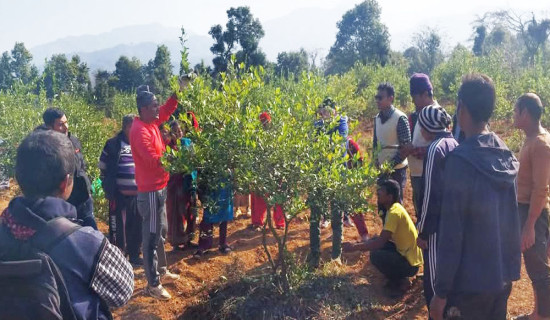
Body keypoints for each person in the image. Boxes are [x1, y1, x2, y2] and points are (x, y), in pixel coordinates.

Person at [0, 130, 133, 319]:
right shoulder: (84, 241)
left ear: (18, 178)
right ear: (66, 183)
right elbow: (123, 291)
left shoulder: (4, 229)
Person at [429, 74, 521, 320]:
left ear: (462, 108)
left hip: (469, 287)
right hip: (500, 280)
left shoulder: (460, 162)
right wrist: (510, 271)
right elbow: (513, 218)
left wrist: (441, 293)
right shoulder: (505, 154)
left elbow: (452, 233)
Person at [130, 81, 188, 300]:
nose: (157, 109)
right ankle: (152, 284)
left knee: (161, 233)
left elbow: (166, 110)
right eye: (154, 106)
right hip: (151, 192)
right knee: (152, 237)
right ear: (143, 109)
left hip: (160, 187)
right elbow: (153, 160)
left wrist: (178, 92)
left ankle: (162, 271)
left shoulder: (152, 122)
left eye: (156, 105)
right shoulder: (139, 131)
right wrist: (177, 158)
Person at [343, 179, 423, 298]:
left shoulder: (394, 213)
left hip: (411, 264)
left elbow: (380, 243)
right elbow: (382, 239)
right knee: (374, 241)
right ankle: (398, 276)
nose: (378, 193)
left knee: (376, 255)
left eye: (381, 192)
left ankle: (400, 281)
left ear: (389, 197)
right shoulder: (395, 208)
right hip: (409, 256)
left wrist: (354, 247)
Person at [414, 106, 458, 312]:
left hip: (436, 228)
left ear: (426, 127)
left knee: (434, 283)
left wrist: (422, 231)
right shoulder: (455, 143)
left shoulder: (435, 149)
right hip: (454, 225)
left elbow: (430, 194)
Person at [512, 93, 550, 320]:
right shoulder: (531, 138)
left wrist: (530, 225)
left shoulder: (540, 144)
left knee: (539, 271)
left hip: (531, 212)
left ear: (525, 113)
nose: (513, 116)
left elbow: (540, 189)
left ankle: (544, 316)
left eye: (516, 111)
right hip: (527, 211)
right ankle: (538, 313)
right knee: (535, 269)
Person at [36, 108, 97, 229]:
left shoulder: (72, 140)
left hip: (83, 198)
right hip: (64, 204)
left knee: (92, 233)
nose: (66, 127)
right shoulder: (43, 148)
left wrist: (88, 187)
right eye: (61, 124)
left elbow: (81, 165)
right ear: (49, 126)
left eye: (66, 122)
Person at [98, 114, 143, 267]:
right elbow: (103, 167)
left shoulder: (141, 143)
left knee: (137, 226)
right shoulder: (112, 144)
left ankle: (135, 255)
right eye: (132, 126)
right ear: (125, 128)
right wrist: (108, 185)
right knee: (119, 230)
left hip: (138, 195)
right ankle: (120, 260)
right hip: (119, 195)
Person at [401, 74, 438, 216]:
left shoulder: (436, 113)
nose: (413, 101)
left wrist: (413, 150)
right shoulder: (420, 113)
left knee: (427, 215)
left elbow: (440, 147)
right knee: (420, 213)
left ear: (425, 94)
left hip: (427, 175)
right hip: (418, 173)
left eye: (415, 97)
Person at [373, 82, 411, 201]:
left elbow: (406, 149)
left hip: (397, 171)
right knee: (382, 208)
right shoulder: (377, 118)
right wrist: (376, 162)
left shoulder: (400, 118)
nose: (377, 100)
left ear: (391, 98)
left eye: (380, 97)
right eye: (376, 97)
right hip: (381, 171)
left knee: (395, 206)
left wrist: (388, 167)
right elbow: (375, 143)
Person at [166, 119, 199, 251]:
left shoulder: (189, 143)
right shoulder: (169, 147)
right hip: (175, 184)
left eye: (179, 130)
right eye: (175, 131)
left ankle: (188, 240)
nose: (178, 133)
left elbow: (194, 161)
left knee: (190, 211)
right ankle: (176, 242)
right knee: (176, 212)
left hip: (189, 182)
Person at [250, 112, 286, 230]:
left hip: (275, 171)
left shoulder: (276, 136)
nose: (264, 124)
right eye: (262, 122)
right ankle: (257, 222)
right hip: (261, 171)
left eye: (266, 121)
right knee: (259, 198)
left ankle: (279, 222)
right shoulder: (255, 137)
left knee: (278, 197)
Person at [194, 177, 234, 257]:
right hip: (210, 183)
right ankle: (203, 246)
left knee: (224, 213)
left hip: (224, 183)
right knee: (208, 215)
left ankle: (223, 243)